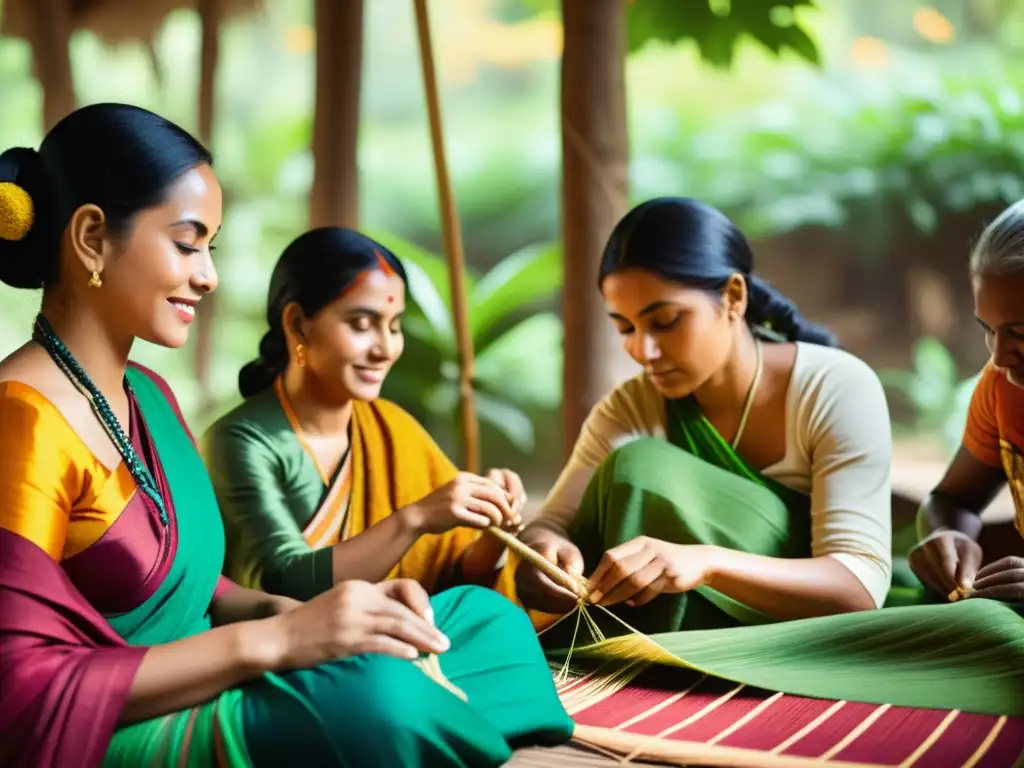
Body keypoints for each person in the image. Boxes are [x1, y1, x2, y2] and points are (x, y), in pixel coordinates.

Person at [0, 103, 572, 768]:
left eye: (208, 250)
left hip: (222, 664)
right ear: (93, 236)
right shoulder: (23, 418)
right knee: (379, 699)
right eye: (187, 245)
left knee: (479, 619)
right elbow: (20, 690)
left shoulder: (148, 396)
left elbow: (199, 588)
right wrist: (277, 643)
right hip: (129, 717)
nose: (208, 275)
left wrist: (320, 613)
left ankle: (427, 724)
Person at [516, 196, 894, 631]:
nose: (643, 351)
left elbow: (859, 589)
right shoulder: (631, 407)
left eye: (666, 321)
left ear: (733, 297)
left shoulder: (834, 388)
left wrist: (706, 563)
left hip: (802, 631)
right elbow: (550, 522)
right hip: (663, 644)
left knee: (640, 468)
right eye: (625, 327)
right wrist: (544, 550)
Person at [202, 228, 526, 603]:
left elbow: (451, 579)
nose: (386, 348)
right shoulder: (241, 442)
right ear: (297, 324)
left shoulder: (392, 428)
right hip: (298, 650)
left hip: (407, 630)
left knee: (495, 617)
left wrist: (492, 534)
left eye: (394, 326)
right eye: (361, 324)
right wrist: (414, 519)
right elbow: (280, 585)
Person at [910, 200, 1024, 604]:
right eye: (988, 329)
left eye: (1020, 332)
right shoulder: (1002, 390)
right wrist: (949, 536)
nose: (999, 356)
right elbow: (952, 499)